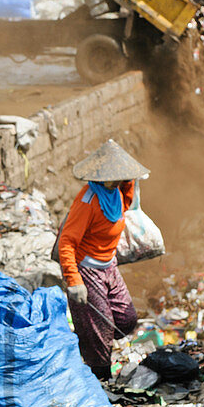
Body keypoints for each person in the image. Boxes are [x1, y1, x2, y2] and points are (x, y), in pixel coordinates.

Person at [56, 139, 148, 380]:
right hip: (87, 269)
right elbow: (67, 242)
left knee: (126, 319)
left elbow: (126, 204)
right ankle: (101, 379)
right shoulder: (88, 202)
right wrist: (74, 281)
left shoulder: (115, 194)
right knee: (99, 329)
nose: (120, 180)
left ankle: (94, 340)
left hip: (109, 265)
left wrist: (129, 179)